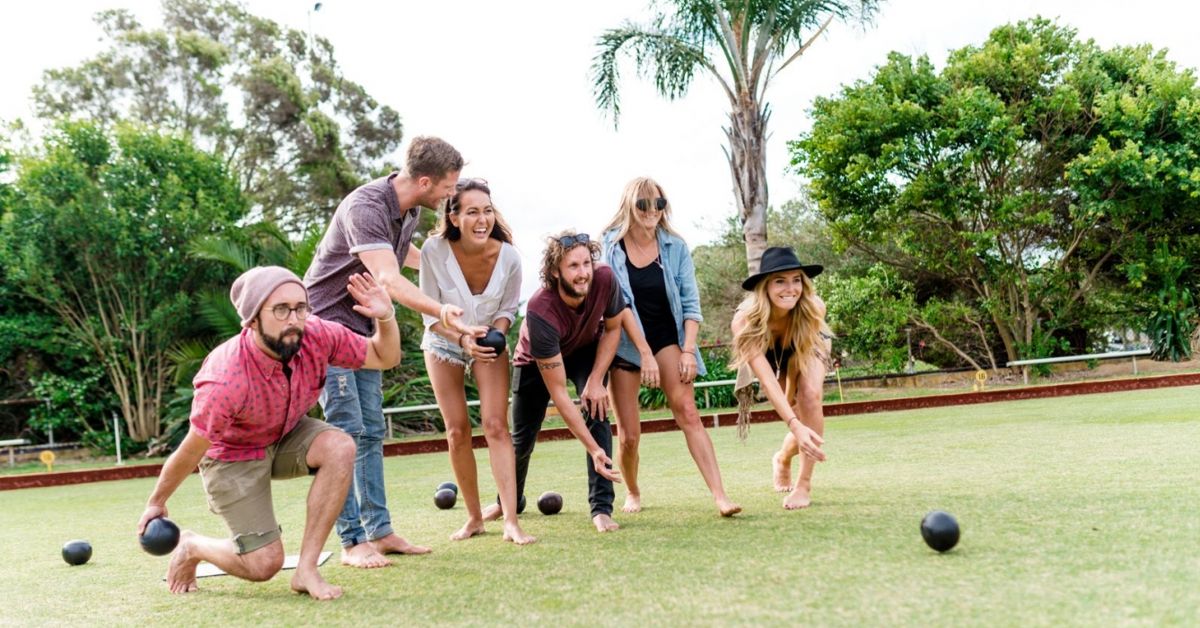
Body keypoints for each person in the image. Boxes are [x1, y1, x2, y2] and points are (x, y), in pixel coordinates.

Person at [136, 267, 401, 600]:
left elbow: (384, 356)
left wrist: (386, 316)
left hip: (285, 434)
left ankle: (307, 570)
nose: (294, 318)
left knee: (340, 446)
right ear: (252, 319)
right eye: (280, 309)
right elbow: (192, 449)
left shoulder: (317, 335)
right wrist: (156, 502)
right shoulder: (226, 378)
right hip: (232, 456)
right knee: (264, 565)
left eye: (300, 307)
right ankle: (192, 546)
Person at [304, 136, 486, 568]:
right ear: (424, 181)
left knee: (369, 432)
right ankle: (352, 541)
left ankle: (379, 531)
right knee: (345, 435)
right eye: (448, 187)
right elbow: (386, 278)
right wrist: (442, 308)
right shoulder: (366, 207)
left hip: (364, 331)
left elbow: (403, 258)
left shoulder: (406, 212)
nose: (451, 195)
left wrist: (446, 270)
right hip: (329, 329)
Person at [600, 177, 741, 517]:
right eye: (643, 204)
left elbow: (691, 305)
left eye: (658, 204)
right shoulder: (611, 246)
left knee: (688, 412)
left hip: (667, 337)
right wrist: (643, 353)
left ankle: (720, 496)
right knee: (629, 435)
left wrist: (689, 350)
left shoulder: (675, 247)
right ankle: (632, 491)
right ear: (629, 206)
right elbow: (620, 304)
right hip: (625, 344)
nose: (652, 211)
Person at [482, 230, 639, 533]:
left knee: (597, 407)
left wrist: (596, 380)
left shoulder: (604, 278)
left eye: (586, 264)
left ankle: (601, 508)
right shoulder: (541, 309)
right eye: (573, 266)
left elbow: (614, 329)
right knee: (522, 438)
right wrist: (593, 449)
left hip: (584, 350)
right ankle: (508, 503)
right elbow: (559, 393)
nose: (583, 274)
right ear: (555, 271)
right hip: (534, 362)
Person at [418, 178, 534, 545]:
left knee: (497, 425)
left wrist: (490, 335)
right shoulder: (433, 252)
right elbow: (430, 314)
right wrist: (461, 337)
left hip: (486, 343)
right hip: (444, 341)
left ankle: (511, 521)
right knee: (457, 431)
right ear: (453, 217)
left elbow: (508, 310)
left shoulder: (510, 257)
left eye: (486, 211)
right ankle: (473, 518)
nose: (482, 219)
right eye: (471, 212)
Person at [730, 246, 831, 510]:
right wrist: (793, 421)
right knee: (793, 417)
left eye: (796, 280)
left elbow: (801, 360)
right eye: (780, 281)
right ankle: (783, 457)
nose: (791, 288)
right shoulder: (745, 322)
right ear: (765, 286)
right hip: (768, 348)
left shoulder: (812, 308)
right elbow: (767, 380)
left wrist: (796, 413)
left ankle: (803, 486)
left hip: (805, 342)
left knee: (809, 397)